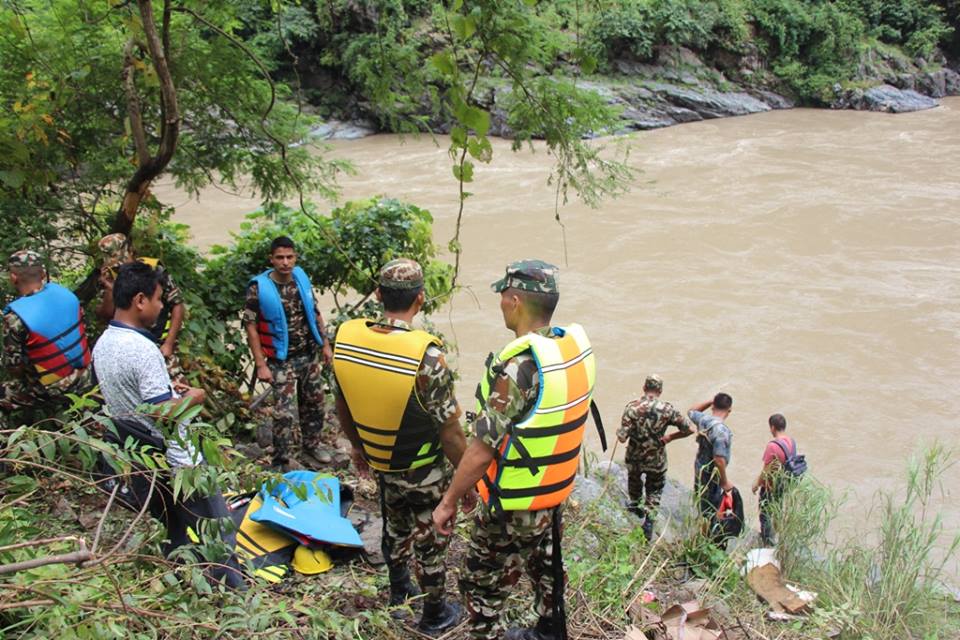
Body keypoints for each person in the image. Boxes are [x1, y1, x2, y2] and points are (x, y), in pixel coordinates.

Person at [432, 259, 599, 640]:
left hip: (514, 503)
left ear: (515, 300)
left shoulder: (519, 368)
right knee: (546, 565)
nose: (501, 303)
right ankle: (550, 630)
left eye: (503, 296)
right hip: (551, 491)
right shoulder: (569, 352)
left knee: (481, 584)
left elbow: (481, 448)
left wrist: (450, 501)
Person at [332, 258, 466, 635]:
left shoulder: (349, 337)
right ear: (420, 299)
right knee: (432, 538)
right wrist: (467, 479)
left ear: (378, 295)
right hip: (425, 467)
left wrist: (359, 448)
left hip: (382, 459)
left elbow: (342, 403)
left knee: (394, 526)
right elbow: (451, 431)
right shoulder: (427, 356)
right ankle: (435, 614)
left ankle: (398, 592)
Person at [92, 261, 243, 588]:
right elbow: (163, 414)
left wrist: (172, 392)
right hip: (180, 463)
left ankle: (188, 588)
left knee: (176, 530)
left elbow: (136, 400)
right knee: (217, 531)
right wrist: (196, 397)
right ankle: (235, 600)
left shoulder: (104, 343)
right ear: (141, 300)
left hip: (143, 459)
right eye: (159, 299)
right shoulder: (143, 349)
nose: (163, 306)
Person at [243, 236, 333, 469]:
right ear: (271, 259)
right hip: (281, 360)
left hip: (308, 353)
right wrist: (261, 364)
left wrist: (325, 345)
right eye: (280, 257)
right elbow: (250, 326)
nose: (285, 262)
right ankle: (280, 459)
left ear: (295, 257)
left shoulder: (300, 278)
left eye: (289, 257)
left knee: (315, 402)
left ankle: (311, 446)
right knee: (284, 413)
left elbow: (315, 312)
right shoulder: (259, 288)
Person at [1, 250, 93, 418]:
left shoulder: (15, 318)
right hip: (87, 375)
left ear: (13, 278)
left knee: (4, 393)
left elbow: (14, 367)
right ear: (43, 274)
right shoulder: (67, 295)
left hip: (53, 390)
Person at [617, 374, 693, 540]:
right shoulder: (667, 409)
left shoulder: (631, 408)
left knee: (634, 482)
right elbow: (689, 429)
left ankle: (636, 507)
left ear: (644, 388)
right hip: (656, 459)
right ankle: (649, 521)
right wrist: (670, 437)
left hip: (635, 457)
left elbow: (622, 437)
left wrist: (622, 433)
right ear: (660, 390)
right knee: (655, 489)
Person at [96, 233, 186, 369]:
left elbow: (177, 304)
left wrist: (169, 343)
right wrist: (110, 289)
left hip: (160, 340)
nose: (121, 267)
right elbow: (106, 316)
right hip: (130, 347)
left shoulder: (154, 269)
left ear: (131, 251)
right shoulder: (109, 276)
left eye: (122, 261)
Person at [688, 393, 734, 528]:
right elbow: (719, 459)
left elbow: (691, 411)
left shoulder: (704, 420)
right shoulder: (721, 431)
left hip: (699, 468)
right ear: (729, 410)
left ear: (713, 405)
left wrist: (709, 401)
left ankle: (702, 526)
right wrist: (724, 481)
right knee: (711, 506)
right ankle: (707, 533)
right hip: (712, 475)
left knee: (701, 499)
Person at [751, 413, 796, 546]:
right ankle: (778, 539)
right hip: (784, 484)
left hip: (770, 486)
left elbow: (766, 470)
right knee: (777, 510)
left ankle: (767, 542)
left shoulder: (773, 446)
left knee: (765, 514)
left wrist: (756, 484)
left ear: (772, 427)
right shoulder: (791, 442)